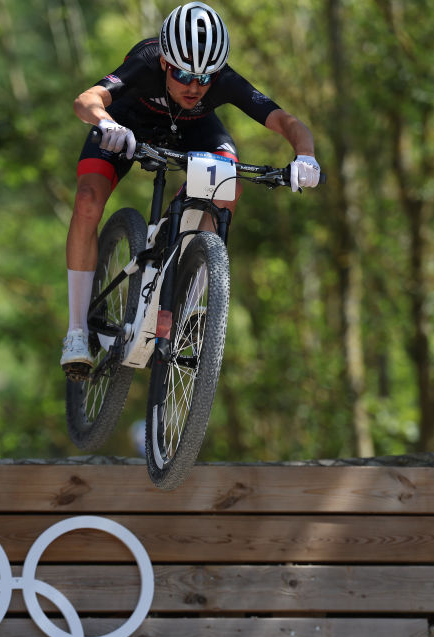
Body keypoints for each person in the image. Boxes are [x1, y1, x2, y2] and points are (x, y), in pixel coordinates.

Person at [60, 2, 321, 378]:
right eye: (183, 74)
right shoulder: (147, 60)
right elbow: (87, 100)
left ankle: (195, 292)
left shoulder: (221, 82)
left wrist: (306, 156)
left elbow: (286, 120)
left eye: (206, 78)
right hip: (127, 126)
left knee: (227, 182)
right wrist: (106, 122)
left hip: (192, 129)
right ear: (166, 63)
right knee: (87, 201)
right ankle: (76, 332)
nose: (195, 87)